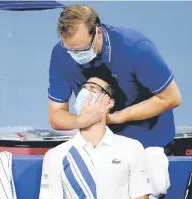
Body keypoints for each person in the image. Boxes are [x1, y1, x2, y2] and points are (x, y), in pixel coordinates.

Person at [39, 77, 160, 199]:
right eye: (83, 88)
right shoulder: (56, 155)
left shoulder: (132, 148)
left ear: (109, 103)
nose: (85, 93)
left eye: (93, 89)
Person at [48, 4, 182, 150]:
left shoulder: (135, 48)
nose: (76, 55)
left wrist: (119, 117)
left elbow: (171, 97)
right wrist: (81, 121)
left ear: (98, 33)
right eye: (70, 50)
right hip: (99, 146)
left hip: (149, 143)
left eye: (82, 49)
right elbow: (56, 115)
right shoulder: (61, 54)